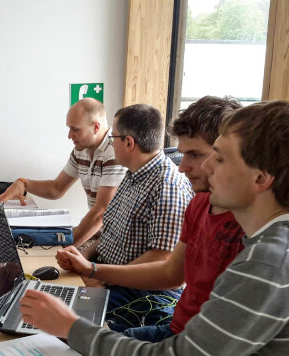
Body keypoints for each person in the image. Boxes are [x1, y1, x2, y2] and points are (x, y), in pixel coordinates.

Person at [20, 100, 289, 356]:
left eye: (219, 158)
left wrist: (70, 326)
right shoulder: (271, 244)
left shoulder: (268, 263)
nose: (201, 167)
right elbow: (239, 345)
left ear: (261, 178)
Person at [56, 104, 194, 331]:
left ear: (129, 143)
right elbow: (112, 234)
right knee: (45, 296)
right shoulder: (132, 175)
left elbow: (162, 258)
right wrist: (82, 257)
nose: (110, 143)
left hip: (139, 293)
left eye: (113, 138)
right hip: (110, 278)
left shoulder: (167, 185)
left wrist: (99, 276)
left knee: (56, 318)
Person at [0, 98, 127, 247]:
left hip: (114, 239)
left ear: (96, 127)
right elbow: (56, 188)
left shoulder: (114, 152)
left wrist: (67, 247)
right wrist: (24, 183)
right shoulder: (80, 150)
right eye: (69, 128)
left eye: (75, 129)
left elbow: (101, 213)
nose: (69, 135)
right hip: (99, 233)